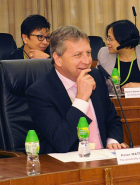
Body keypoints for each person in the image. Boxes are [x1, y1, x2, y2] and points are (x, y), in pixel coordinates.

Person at [26, 25, 127, 154]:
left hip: (104, 159)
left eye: (88, 53)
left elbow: (112, 120)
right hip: (68, 166)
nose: (87, 61)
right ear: (58, 59)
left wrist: (112, 142)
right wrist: (81, 100)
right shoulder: (40, 92)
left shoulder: (95, 76)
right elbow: (60, 142)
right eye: (78, 55)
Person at [0, 14, 51, 100]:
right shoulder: (9, 59)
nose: (45, 42)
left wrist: (48, 60)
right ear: (25, 38)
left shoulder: (53, 57)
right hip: (17, 108)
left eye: (47, 37)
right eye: (40, 36)